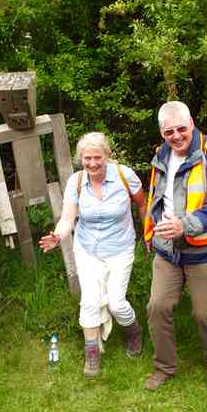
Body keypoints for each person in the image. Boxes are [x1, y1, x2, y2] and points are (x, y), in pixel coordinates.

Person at [143, 101, 207, 391]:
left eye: (181, 129)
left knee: (205, 313)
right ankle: (164, 367)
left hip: (206, 248)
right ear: (161, 132)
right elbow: (154, 198)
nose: (176, 136)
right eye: (169, 131)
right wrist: (150, 234)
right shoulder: (161, 153)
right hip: (167, 248)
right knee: (157, 306)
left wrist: (184, 225)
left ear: (192, 123)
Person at [38, 132, 146, 378]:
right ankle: (92, 354)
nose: (92, 163)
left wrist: (148, 233)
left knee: (117, 303)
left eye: (97, 157)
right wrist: (57, 236)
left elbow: (141, 203)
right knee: (89, 300)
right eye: (87, 158)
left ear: (107, 156)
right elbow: (67, 219)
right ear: (81, 159)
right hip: (87, 249)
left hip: (120, 247)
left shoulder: (124, 175)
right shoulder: (76, 181)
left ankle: (134, 332)